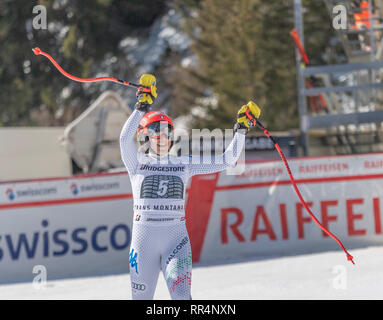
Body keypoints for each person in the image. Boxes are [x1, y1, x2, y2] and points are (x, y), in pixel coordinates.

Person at [120, 74, 260, 300]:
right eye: (156, 133)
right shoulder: (136, 163)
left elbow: (228, 160)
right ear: (144, 136)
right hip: (142, 244)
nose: (162, 138)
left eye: (167, 133)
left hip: (176, 242)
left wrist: (240, 130)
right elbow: (124, 138)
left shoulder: (183, 164)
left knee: (183, 300)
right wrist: (140, 107)